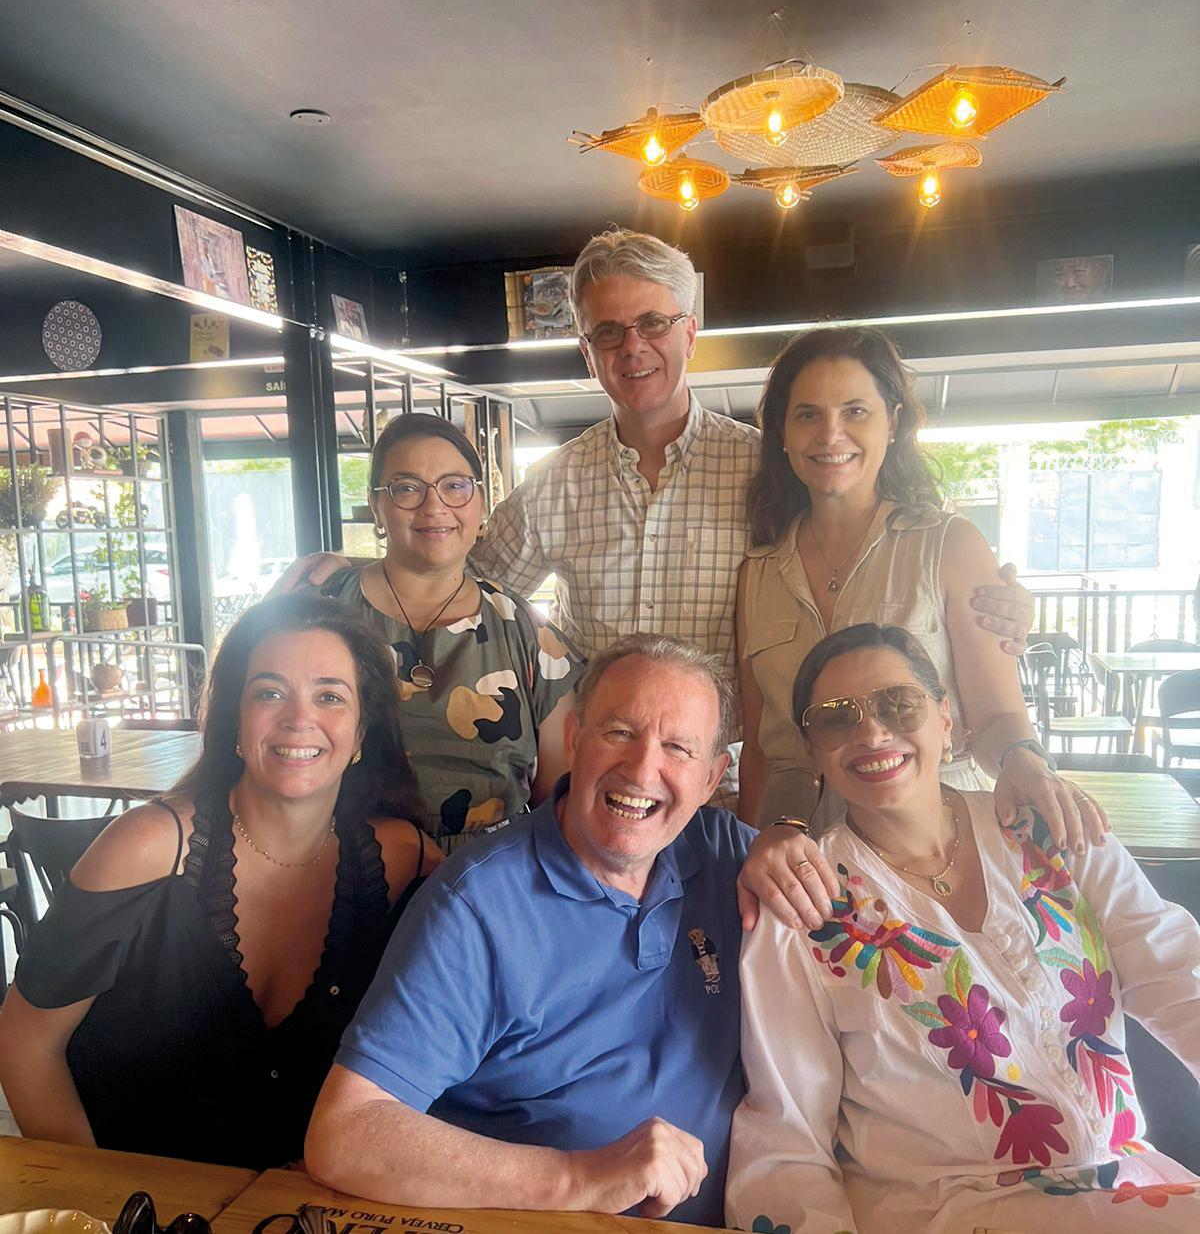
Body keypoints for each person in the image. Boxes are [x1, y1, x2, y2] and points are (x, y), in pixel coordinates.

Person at [275, 230, 1032, 697]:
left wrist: (986, 602)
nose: (632, 347)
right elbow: (461, 578)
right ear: (587, 352)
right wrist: (348, 576)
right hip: (596, 780)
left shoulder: (764, 468)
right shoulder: (559, 480)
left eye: (652, 323)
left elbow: (861, 556)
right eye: (608, 332)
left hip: (739, 774)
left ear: (689, 332)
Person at [305, 633, 841, 1226]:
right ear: (572, 739)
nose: (642, 769)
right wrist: (584, 1176)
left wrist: (784, 832)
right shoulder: (480, 904)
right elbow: (347, 1133)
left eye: (678, 748)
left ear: (713, 778)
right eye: (619, 733)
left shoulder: (727, 857)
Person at [726, 623, 1200, 1234]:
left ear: (946, 718)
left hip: (1129, 1190)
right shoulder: (804, 906)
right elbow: (786, 1135)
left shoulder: (1054, 835)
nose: (871, 731)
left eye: (899, 704)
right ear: (814, 748)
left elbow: (1179, 974)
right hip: (942, 1213)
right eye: (836, 719)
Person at [0, 595, 440, 1169]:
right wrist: (101, 1200)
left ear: (362, 733)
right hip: (140, 1206)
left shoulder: (403, 858)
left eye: (329, 696)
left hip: (301, 1209)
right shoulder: (149, 848)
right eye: (269, 692)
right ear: (235, 719)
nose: (298, 719)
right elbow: (25, 1042)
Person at [736, 326, 1108, 855]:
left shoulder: (951, 546)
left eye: (855, 411)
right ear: (782, 433)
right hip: (811, 856)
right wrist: (750, 850)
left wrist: (1025, 759)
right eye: (808, 414)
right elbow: (765, 750)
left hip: (945, 838)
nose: (830, 434)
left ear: (892, 422)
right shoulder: (758, 574)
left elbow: (998, 716)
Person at [321, 412, 584, 850]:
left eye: (455, 485)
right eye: (406, 488)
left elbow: (557, 801)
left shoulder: (527, 634)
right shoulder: (322, 614)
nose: (433, 506)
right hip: (343, 874)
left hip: (486, 883)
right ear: (376, 506)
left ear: (481, 502)